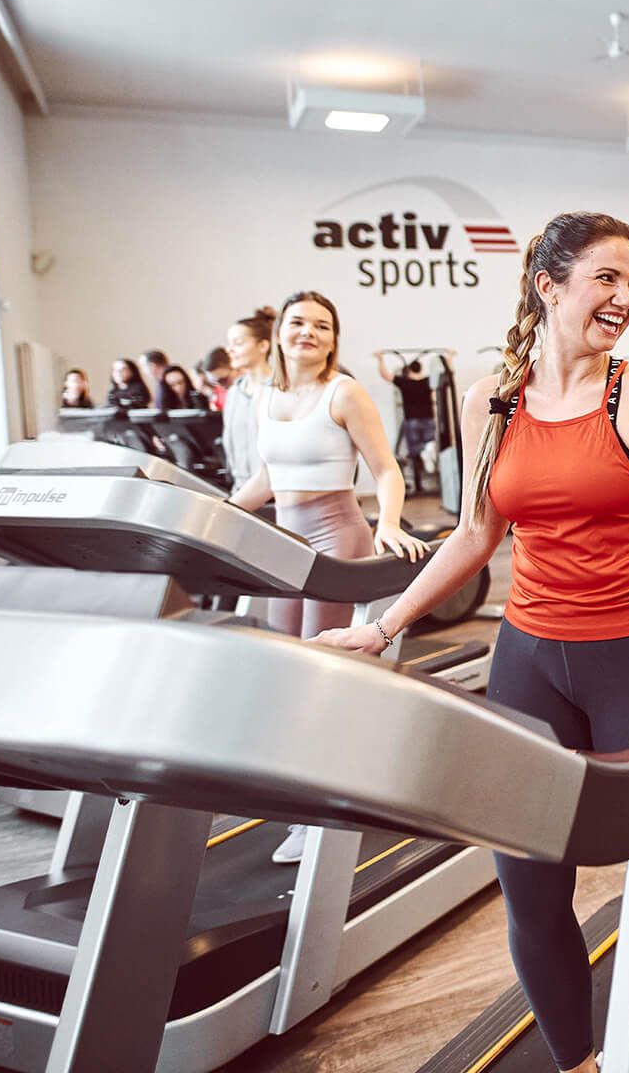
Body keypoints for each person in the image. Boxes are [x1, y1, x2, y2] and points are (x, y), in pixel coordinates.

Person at [318, 212, 629, 1073]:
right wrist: (384, 625)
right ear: (549, 285)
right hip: (530, 655)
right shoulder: (492, 398)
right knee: (530, 878)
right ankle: (575, 1060)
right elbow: (474, 536)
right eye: (606, 279)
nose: (624, 298)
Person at [229, 290, 426, 864]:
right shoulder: (267, 395)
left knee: (319, 674)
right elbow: (268, 474)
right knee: (284, 671)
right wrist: (219, 514)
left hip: (335, 536)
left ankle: (318, 812)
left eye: (321, 325)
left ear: (333, 338)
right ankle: (302, 791)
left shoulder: (345, 393)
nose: (308, 333)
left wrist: (388, 521)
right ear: (279, 334)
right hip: (282, 541)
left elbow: (385, 468)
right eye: (297, 323)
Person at [223, 308, 276, 493]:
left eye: (238, 343)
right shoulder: (234, 392)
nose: (230, 350)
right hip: (240, 490)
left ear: (263, 346)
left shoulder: (278, 390)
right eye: (229, 343)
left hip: (273, 495)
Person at [375, 352, 437, 494]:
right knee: (429, 445)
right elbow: (446, 375)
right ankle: (426, 450)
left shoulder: (405, 382)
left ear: (408, 371)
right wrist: (449, 358)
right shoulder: (427, 381)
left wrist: (380, 359)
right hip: (428, 420)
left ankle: (420, 465)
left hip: (412, 421)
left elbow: (385, 375)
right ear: (420, 369)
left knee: (414, 453)